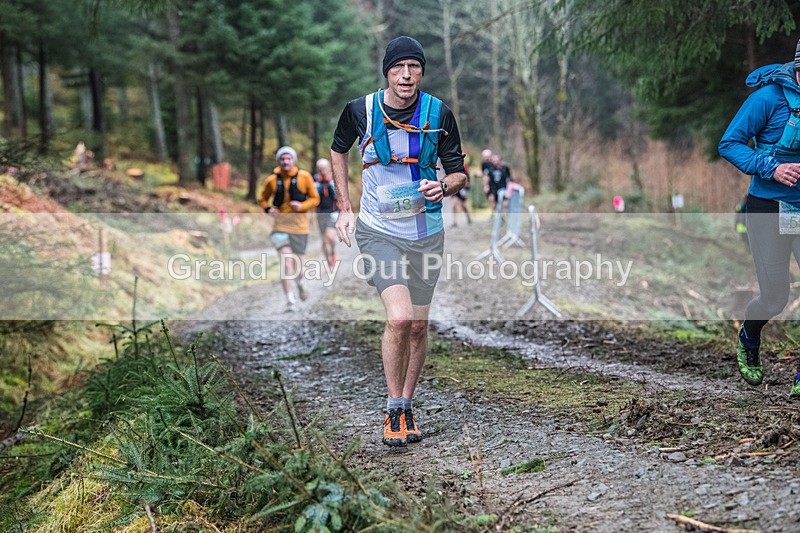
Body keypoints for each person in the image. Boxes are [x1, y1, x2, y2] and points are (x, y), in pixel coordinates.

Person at [330, 36, 467, 446]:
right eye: (398, 67)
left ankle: (407, 404)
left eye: (414, 67)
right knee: (400, 318)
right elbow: (338, 150)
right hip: (379, 231)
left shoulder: (439, 113)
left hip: (426, 233)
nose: (406, 75)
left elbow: (459, 173)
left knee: (419, 327)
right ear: (387, 72)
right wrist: (344, 206)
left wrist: (444, 186)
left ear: (421, 72)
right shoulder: (360, 110)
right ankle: (392, 409)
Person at [719, 39, 800, 396]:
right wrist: (772, 167)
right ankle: (749, 335)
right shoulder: (767, 99)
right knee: (775, 297)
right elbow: (729, 143)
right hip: (769, 208)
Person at [259, 146, 320, 312]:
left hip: (300, 227)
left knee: (298, 266)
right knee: (286, 262)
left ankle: (300, 283)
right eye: (282, 159)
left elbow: (315, 198)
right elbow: (262, 198)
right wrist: (268, 208)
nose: (285, 162)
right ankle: (290, 300)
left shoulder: (305, 177)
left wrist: (302, 206)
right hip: (279, 227)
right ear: (279, 161)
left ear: (294, 160)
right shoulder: (272, 180)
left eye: (288, 158)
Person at [314, 158, 339, 267]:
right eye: (320, 168)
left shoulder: (335, 179)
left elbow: (339, 196)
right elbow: (312, 197)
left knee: (331, 237)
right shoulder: (315, 180)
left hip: (333, 212)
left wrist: (330, 184)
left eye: (324, 168)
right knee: (324, 240)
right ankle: (328, 262)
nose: (322, 170)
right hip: (320, 214)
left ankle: (332, 252)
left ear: (329, 168)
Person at [450, 154, 471, 227]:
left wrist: (467, 184)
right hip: (454, 187)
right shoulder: (450, 165)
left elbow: (467, 175)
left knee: (463, 205)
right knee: (453, 204)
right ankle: (454, 221)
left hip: (462, 187)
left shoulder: (464, 166)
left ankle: (468, 217)